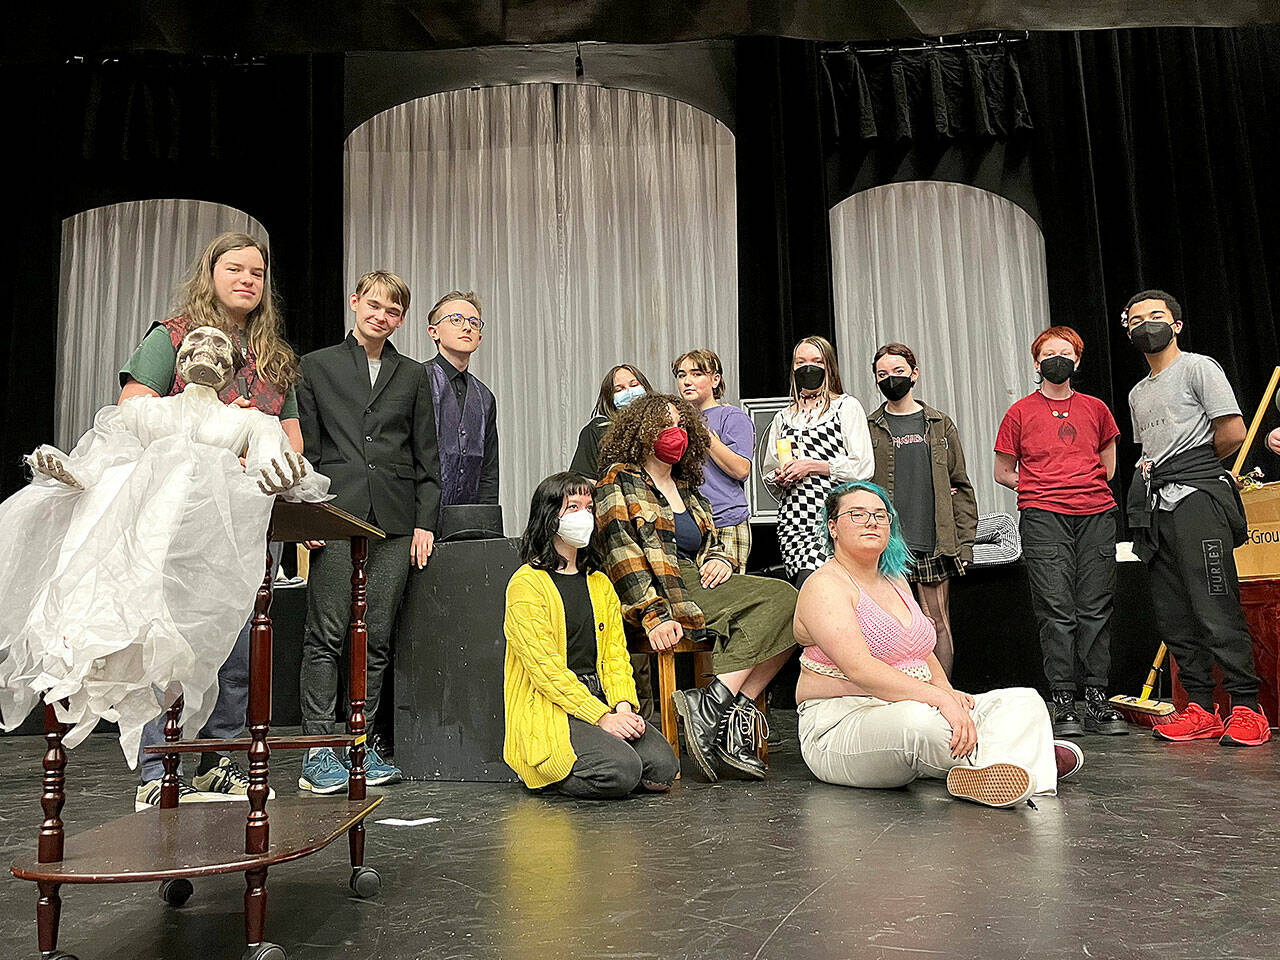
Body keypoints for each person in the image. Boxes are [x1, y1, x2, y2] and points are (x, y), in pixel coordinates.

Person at [0, 327, 325, 784]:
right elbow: (106, 450)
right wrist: (76, 470)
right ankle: (156, 771)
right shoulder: (149, 413)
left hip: (223, 549)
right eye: (195, 344)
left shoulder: (249, 421)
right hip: (161, 544)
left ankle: (216, 763)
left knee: (228, 651)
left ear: (232, 368)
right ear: (177, 359)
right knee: (154, 646)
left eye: (217, 348)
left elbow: (279, 462)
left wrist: (283, 478)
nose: (204, 353)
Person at [116, 232, 304, 808]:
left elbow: (293, 440)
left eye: (257, 272)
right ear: (211, 273)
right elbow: (130, 413)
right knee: (172, 637)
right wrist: (217, 420)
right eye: (235, 268)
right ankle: (159, 767)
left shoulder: (274, 358)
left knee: (240, 643)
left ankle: (220, 762)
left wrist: (269, 448)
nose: (248, 279)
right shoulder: (170, 338)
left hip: (249, 519)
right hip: (181, 514)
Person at [793, 481, 1084, 807]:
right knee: (920, 724)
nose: (871, 522)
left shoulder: (895, 579)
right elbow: (860, 669)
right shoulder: (824, 586)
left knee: (1024, 702)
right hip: (841, 725)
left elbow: (920, 650)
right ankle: (1026, 757)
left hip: (911, 703)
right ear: (832, 527)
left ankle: (1012, 778)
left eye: (880, 514)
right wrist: (939, 699)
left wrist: (946, 691)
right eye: (857, 515)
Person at [595, 393, 798, 782]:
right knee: (786, 599)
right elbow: (621, 556)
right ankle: (718, 714)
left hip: (696, 582)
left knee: (797, 615)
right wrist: (651, 614)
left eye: (682, 425)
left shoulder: (688, 487)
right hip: (660, 591)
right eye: (665, 425)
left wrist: (721, 558)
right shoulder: (619, 480)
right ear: (642, 430)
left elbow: (711, 540)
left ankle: (713, 708)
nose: (676, 433)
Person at [296, 271, 443, 792]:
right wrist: (308, 513)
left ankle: (359, 744)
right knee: (327, 635)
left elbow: (427, 455)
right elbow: (306, 450)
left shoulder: (413, 375)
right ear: (354, 302)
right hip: (336, 513)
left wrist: (426, 523)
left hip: (396, 521)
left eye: (393, 311)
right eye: (374, 305)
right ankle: (318, 750)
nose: (382, 316)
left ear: (402, 319)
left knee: (375, 638)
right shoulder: (315, 366)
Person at [1123, 290, 1269, 746]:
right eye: (1137, 319)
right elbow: (1149, 450)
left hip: (1199, 499)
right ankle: (1201, 708)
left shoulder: (1199, 368)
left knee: (1214, 605)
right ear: (1128, 331)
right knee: (1174, 612)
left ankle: (1247, 706)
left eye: (1156, 316)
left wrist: (1192, 468)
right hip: (1156, 509)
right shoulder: (1137, 393)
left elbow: (1232, 432)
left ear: (1176, 325)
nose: (1147, 324)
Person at [504, 472, 679, 798]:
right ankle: (550, 774)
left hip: (600, 698)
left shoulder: (599, 584)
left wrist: (624, 706)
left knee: (663, 767)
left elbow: (615, 655)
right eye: (573, 507)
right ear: (549, 516)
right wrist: (601, 718)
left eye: (589, 507)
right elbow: (547, 673)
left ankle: (603, 759)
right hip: (553, 704)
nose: (584, 515)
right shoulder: (525, 584)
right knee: (624, 771)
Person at [994, 326, 1128, 738]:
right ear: (1036, 363)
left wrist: (1074, 481)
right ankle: (1064, 700)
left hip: (1096, 514)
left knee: (1095, 606)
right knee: (1056, 610)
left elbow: (1109, 466)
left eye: (1066, 353)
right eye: (1049, 354)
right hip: (1042, 517)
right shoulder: (1019, 412)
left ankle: (1097, 697)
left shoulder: (1096, 409)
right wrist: (1041, 486)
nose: (1058, 359)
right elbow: (1002, 472)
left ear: (1077, 360)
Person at [867, 343, 976, 677]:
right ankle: (903, 697)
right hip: (886, 544)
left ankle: (943, 696)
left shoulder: (939, 424)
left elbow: (960, 483)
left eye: (898, 372)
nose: (891, 379)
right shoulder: (869, 427)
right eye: (882, 374)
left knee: (936, 622)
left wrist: (965, 541)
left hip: (932, 541)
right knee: (892, 627)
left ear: (914, 374)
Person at [761, 336, 874, 587]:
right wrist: (780, 478)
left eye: (816, 361)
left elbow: (864, 466)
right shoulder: (783, 417)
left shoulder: (845, 407)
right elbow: (769, 473)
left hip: (832, 516)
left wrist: (813, 465)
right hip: (793, 519)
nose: (807, 367)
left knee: (823, 586)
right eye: (800, 362)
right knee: (804, 591)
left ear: (829, 366)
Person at [674, 349, 755, 570]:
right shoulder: (675, 422)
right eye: (681, 375)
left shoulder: (732, 417)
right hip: (690, 525)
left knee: (724, 596)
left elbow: (741, 469)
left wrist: (704, 434)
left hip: (725, 521)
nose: (687, 381)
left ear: (715, 379)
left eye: (696, 373)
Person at [424, 290, 498, 505]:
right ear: (433, 331)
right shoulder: (416, 380)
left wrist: (485, 522)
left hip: (467, 519)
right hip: (416, 519)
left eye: (474, 323)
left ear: (480, 338)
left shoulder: (485, 397)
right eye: (456, 320)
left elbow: (489, 471)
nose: (467, 327)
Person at [569, 364, 653, 482]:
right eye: (619, 389)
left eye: (634, 385)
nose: (629, 392)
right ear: (610, 398)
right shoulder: (598, 429)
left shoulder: (665, 425)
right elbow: (583, 481)